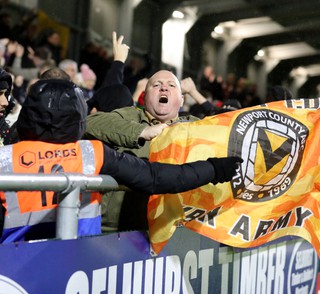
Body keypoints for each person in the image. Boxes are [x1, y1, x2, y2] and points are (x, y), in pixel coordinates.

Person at [0, 78, 242, 243]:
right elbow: (158, 177)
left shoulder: (4, 158)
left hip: (14, 267)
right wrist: (213, 168)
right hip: (78, 263)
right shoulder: (91, 153)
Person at [85, 70, 202, 231]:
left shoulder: (195, 126)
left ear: (182, 100)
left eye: (171, 85)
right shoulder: (130, 116)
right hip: (119, 230)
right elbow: (90, 123)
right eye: (156, 85)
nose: (164, 89)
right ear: (145, 97)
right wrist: (142, 131)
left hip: (173, 229)